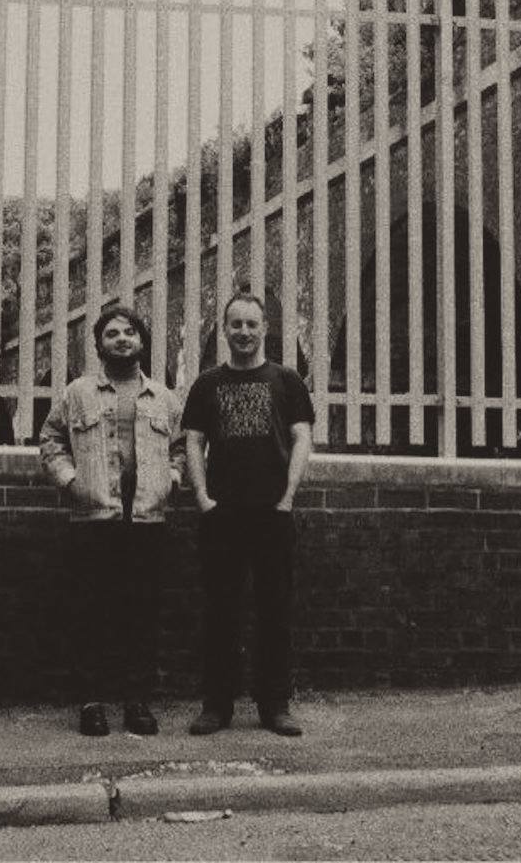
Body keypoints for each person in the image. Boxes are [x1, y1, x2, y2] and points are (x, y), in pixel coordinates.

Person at [39, 306, 184, 737]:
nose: (122, 339)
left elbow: (182, 448)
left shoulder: (164, 398)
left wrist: (172, 480)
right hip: (94, 518)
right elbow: (51, 439)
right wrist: (71, 482)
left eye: (130, 332)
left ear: (141, 341)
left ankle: (136, 700)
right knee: (90, 612)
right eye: (113, 333)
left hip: (146, 519)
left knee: (140, 613)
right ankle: (92, 701)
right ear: (100, 345)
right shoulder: (78, 393)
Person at [181, 291, 315, 737]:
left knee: (274, 611)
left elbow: (302, 438)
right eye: (235, 324)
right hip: (222, 514)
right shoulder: (206, 385)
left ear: (264, 329)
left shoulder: (287, 381)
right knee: (220, 610)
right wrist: (203, 498)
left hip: (272, 513)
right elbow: (193, 442)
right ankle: (216, 705)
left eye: (251, 324)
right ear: (224, 329)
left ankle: (275, 704)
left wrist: (287, 497)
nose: (243, 332)